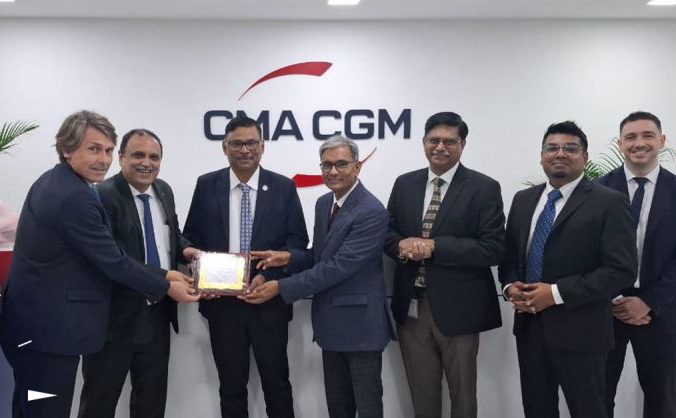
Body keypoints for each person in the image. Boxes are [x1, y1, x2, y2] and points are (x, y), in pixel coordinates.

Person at [0, 110, 199, 418]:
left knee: (30, 408)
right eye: (94, 149)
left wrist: (168, 271)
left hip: (34, 326)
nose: (103, 159)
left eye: (107, 150)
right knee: (47, 409)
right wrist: (166, 284)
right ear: (67, 149)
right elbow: (113, 260)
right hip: (49, 333)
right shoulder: (74, 197)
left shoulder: (57, 181)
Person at [243, 136, 394, 418]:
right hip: (329, 325)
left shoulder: (371, 211)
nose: (333, 171)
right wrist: (288, 258)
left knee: (368, 407)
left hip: (360, 327)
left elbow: (338, 266)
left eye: (341, 164)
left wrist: (281, 287)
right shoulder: (324, 203)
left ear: (357, 167)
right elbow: (320, 255)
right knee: (338, 407)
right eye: (326, 165)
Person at [498, 120, 637, 418]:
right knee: (537, 410)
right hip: (530, 330)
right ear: (542, 156)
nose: (560, 153)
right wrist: (510, 287)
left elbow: (622, 270)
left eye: (570, 148)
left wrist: (555, 293)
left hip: (583, 333)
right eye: (552, 147)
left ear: (584, 157)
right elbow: (509, 258)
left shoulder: (609, 202)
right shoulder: (523, 200)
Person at [183, 115, 308, 418]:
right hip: (222, 306)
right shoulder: (206, 185)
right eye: (236, 144)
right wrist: (199, 268)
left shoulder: (283, 187)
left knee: (277, 385)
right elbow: (191, 237)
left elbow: (297, 242)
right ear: (224, 147)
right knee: (231, 389)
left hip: (269, 303)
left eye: (251, 143)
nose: (244, 150)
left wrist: (268, 274)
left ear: (262, 146)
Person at [385, 111, 504, 417]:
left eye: (449, 141)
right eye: (434, 140)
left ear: (462, 144)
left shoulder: (483, 187)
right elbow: (388, 233)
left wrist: (435, 247)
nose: (440, 147)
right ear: (424, 142)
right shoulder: (405, 184)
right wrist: (401, 247)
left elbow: (493, 249)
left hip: (459, 310)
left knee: (463, 397)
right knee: (422, 395)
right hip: (411, 307)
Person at [78, 129, 199, 418]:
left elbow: (170, 234)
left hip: (157, 316)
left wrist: (186, 250)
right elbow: (112, 260)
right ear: (121, 157)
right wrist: (164, 280)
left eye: (154, 157)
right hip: (114, 321)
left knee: (151, 402)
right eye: (138, 155)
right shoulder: (101, 196)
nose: (147, 163)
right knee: (99, 403)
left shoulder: (163, 190)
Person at [598, 111, 676, 418]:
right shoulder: (596, 190)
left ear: (662, 140)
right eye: (630, 137)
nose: (638, 143)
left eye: (647, 135)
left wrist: (649, 302)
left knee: (663, 399)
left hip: (663, 310)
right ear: (620, 144)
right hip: (605, 309)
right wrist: (615, 298)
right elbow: (584, 253)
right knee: (598, 396)